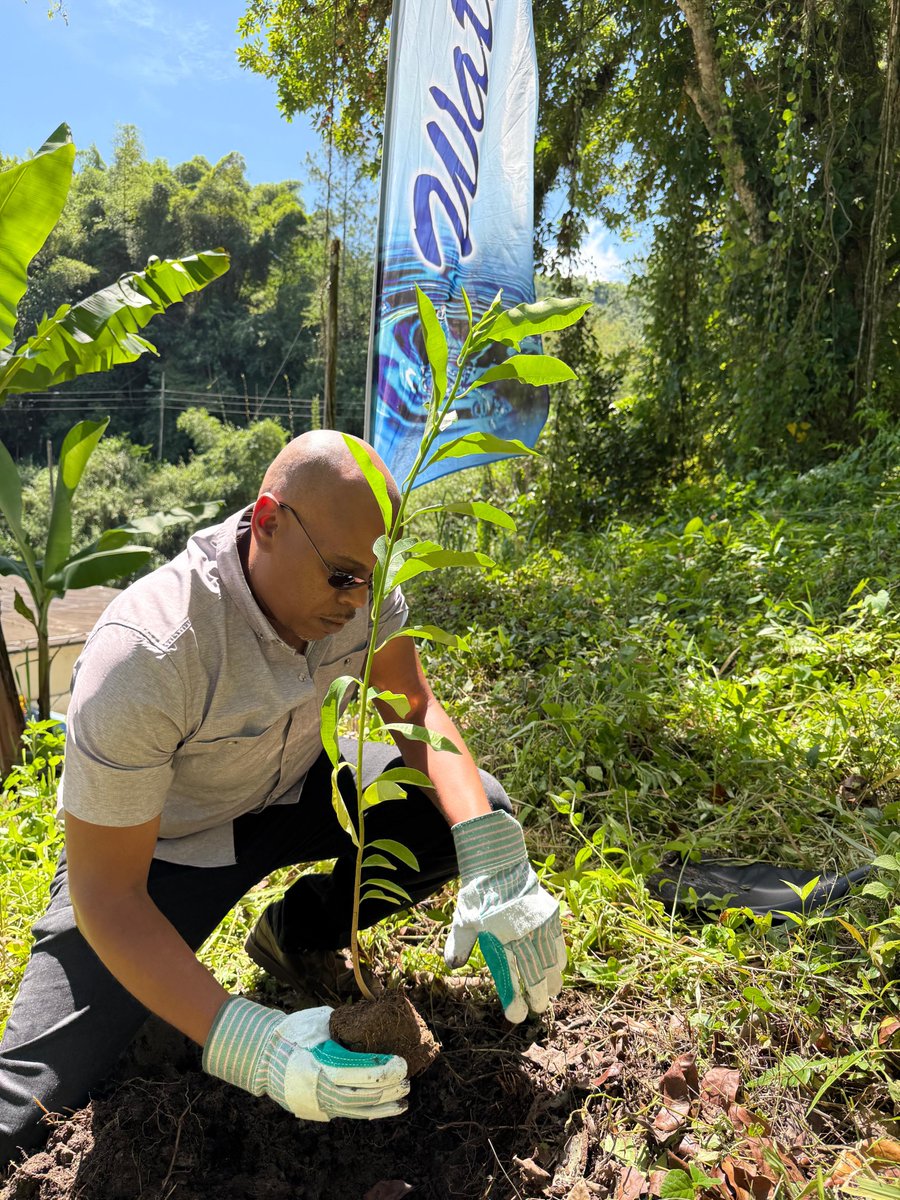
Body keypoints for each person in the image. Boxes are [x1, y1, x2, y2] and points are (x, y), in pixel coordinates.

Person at [0, 431, 565, 1164]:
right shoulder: (150, 652)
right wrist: (248, 1042)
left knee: (470, 808)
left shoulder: (355, 581)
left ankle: (296, 937)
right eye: (340, 578)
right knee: (27, 1102)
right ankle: (158, 1008)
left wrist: (491, 854)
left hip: (297, 786)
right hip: (165, 847)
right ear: (266, 520)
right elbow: (107, 895)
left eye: (372, 577)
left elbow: (412, 705)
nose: (357, 601)